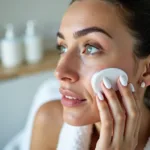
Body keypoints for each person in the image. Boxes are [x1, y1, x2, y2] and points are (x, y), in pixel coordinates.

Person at [30, 0, 150, 149]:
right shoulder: (49, 121)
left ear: (146, 70)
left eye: (91, 48)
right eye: (62, 47)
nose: (60, 72)